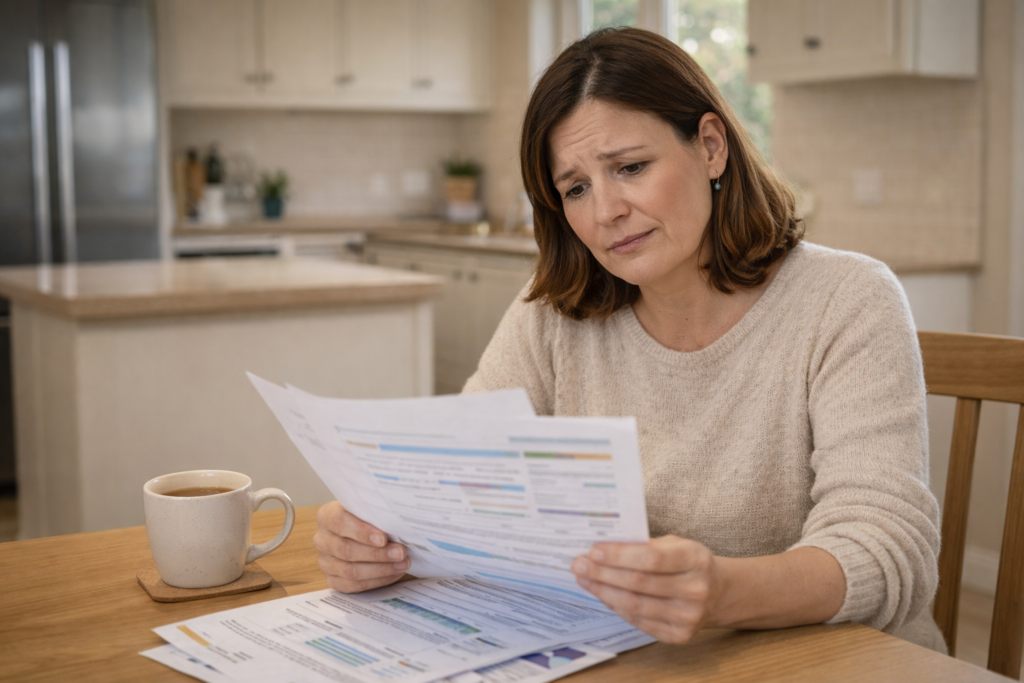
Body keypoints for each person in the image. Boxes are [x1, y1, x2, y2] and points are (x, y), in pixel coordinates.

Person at [314, 27, 944, 652]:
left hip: (833, 661)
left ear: (710, 147)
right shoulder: (556, 314)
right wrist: (378, 536)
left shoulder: (847, 299)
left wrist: (724, 591)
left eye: (631, 168)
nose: (605, 211)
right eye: (576, 188)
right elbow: (459, 476)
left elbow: (885, 546)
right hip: (639, 658)